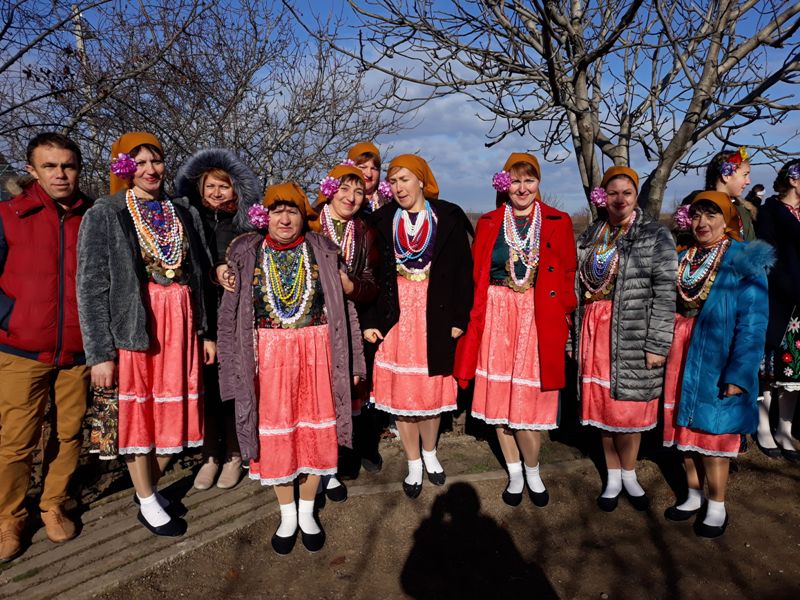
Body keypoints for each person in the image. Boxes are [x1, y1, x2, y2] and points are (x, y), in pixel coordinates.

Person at [77, 132, 213, 537]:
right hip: (137, 326)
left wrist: (205, 331)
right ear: (124, 168)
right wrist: (100, 352)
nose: (151, 170)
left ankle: (146, 488)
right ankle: (148, 498)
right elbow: (91, 285)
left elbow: (200, 274)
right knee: (141, 420)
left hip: (182, 325)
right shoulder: (107, 212)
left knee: (174, 416)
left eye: (156, 161)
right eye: (140, 163)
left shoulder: (181, 211)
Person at [217, 183, 365, 555]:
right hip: (267, 361)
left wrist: (355, 362)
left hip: (318, 355)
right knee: (277, 437)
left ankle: (306, 510)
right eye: (277, 210)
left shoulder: (324, 252)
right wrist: (231, 366)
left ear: (304, 215)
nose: (284, 218)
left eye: (292, 210)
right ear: (265, 216)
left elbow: (347, 311)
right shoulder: (245, 254)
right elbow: (228, 316)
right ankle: (286, 513)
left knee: (317, 434)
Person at [453, 153, 577, 507]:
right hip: (496, 314)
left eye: (529, 180)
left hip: (537, 317)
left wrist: (564, 318)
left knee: (528, 406)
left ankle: (534, 470)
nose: (522, 188)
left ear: (538, 184)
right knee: (499, 403)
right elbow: (477, 273)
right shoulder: (491, 221)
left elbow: (567, 274)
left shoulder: (558, 220)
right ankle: (514, 472)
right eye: (516, 181)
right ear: (505, 184)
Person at [0, 133, 92, 562]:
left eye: (68, 165)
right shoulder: (8, 215)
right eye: (50, 166)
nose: (61, 174)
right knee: (17, 441)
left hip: (77, 350)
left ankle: (53, 504)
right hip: (21, 350)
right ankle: (9, 519)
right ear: (32, 170)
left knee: (70, 433)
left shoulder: (91, 216)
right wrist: (9, 318)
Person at [361, 154, 473, 498]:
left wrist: (457, 319)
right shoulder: (380, 221)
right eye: (393, 181)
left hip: (434, 313)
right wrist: (369, 321)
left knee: (429, 390)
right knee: (403, 398)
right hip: (395, 317)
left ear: (422, 181)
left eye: (405, 179)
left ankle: (430, 453)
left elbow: (462, 273)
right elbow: (369, 274)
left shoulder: (448, 217)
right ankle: (413, 463)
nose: (398, 188)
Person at [662, 191, 773, 538]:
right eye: (696, 215)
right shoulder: (685, 257)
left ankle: (717, 504)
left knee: (714, 435)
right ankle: (693, 495)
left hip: (718, 357)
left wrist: (740, 373)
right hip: (682, 355)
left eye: (711, 215)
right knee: (685, 432)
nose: (702, 223)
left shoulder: (744, 259)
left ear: (727, 220)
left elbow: (754, 323)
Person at [575, 166, 676, 512]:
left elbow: (666, 294)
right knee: (605, 412)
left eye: (627, 193)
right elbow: (579, 289)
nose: (620, 200)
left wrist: (657, 345)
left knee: (629, 413)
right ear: (604, 197)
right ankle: (613, 475)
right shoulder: (592, 233)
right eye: (613, 193)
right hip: (595, 333)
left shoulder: (655, 235)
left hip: (633, 334)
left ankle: (629, 473)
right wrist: (575, 339)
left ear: (636, 197)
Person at [175, 149, 260, 491]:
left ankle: (236, 453)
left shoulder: (248, 224)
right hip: (200, 317)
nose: (217, 192)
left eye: (224, 186)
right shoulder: (190, 220)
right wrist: (213, 272)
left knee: (235, 387)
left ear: (237, 189)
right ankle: (210, 453)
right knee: (207, 388)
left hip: (237, 318)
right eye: (210, 186)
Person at [314, 164, 380, 496]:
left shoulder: (364, 232)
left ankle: (334, 463)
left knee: (340, 394)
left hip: (345, 325)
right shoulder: (310, 223)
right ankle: (320, 467)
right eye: (344, 189)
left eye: (358, 191)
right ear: (329, 189)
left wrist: (349, 285)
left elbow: (371, 285)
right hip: (310, 323)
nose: (352, 198)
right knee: (316, 397)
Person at [754, 159, 800, 460]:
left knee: (795, 371)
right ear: (794, 180)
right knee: (770, 370)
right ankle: (762, 427)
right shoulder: (770, 211)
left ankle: (785, 429)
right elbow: (767, 256)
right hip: (781, 300)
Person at [705, 147, 754, 240]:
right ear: (726, 176)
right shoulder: (699, 208)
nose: (748, 181)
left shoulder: (742, 211)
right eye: (745, 175)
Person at [347, 141, 390, 214]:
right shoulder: (339, 201)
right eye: (363, 167)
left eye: (374, 169)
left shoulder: (389, 203)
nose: (369, 174)